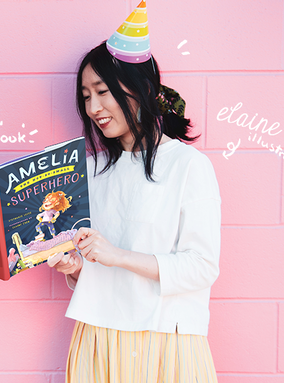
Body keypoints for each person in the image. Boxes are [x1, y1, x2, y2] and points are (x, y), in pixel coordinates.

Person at [48, 2, 221, 382]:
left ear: (140, 88)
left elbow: (202, 266)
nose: (93, 107)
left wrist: (119, 256)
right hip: (97, 338)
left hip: (165, 339)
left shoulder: (188, 166)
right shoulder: (90, 170)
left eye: (103, 91)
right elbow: (95, 266)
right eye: (86, 96)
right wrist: (75, 268)